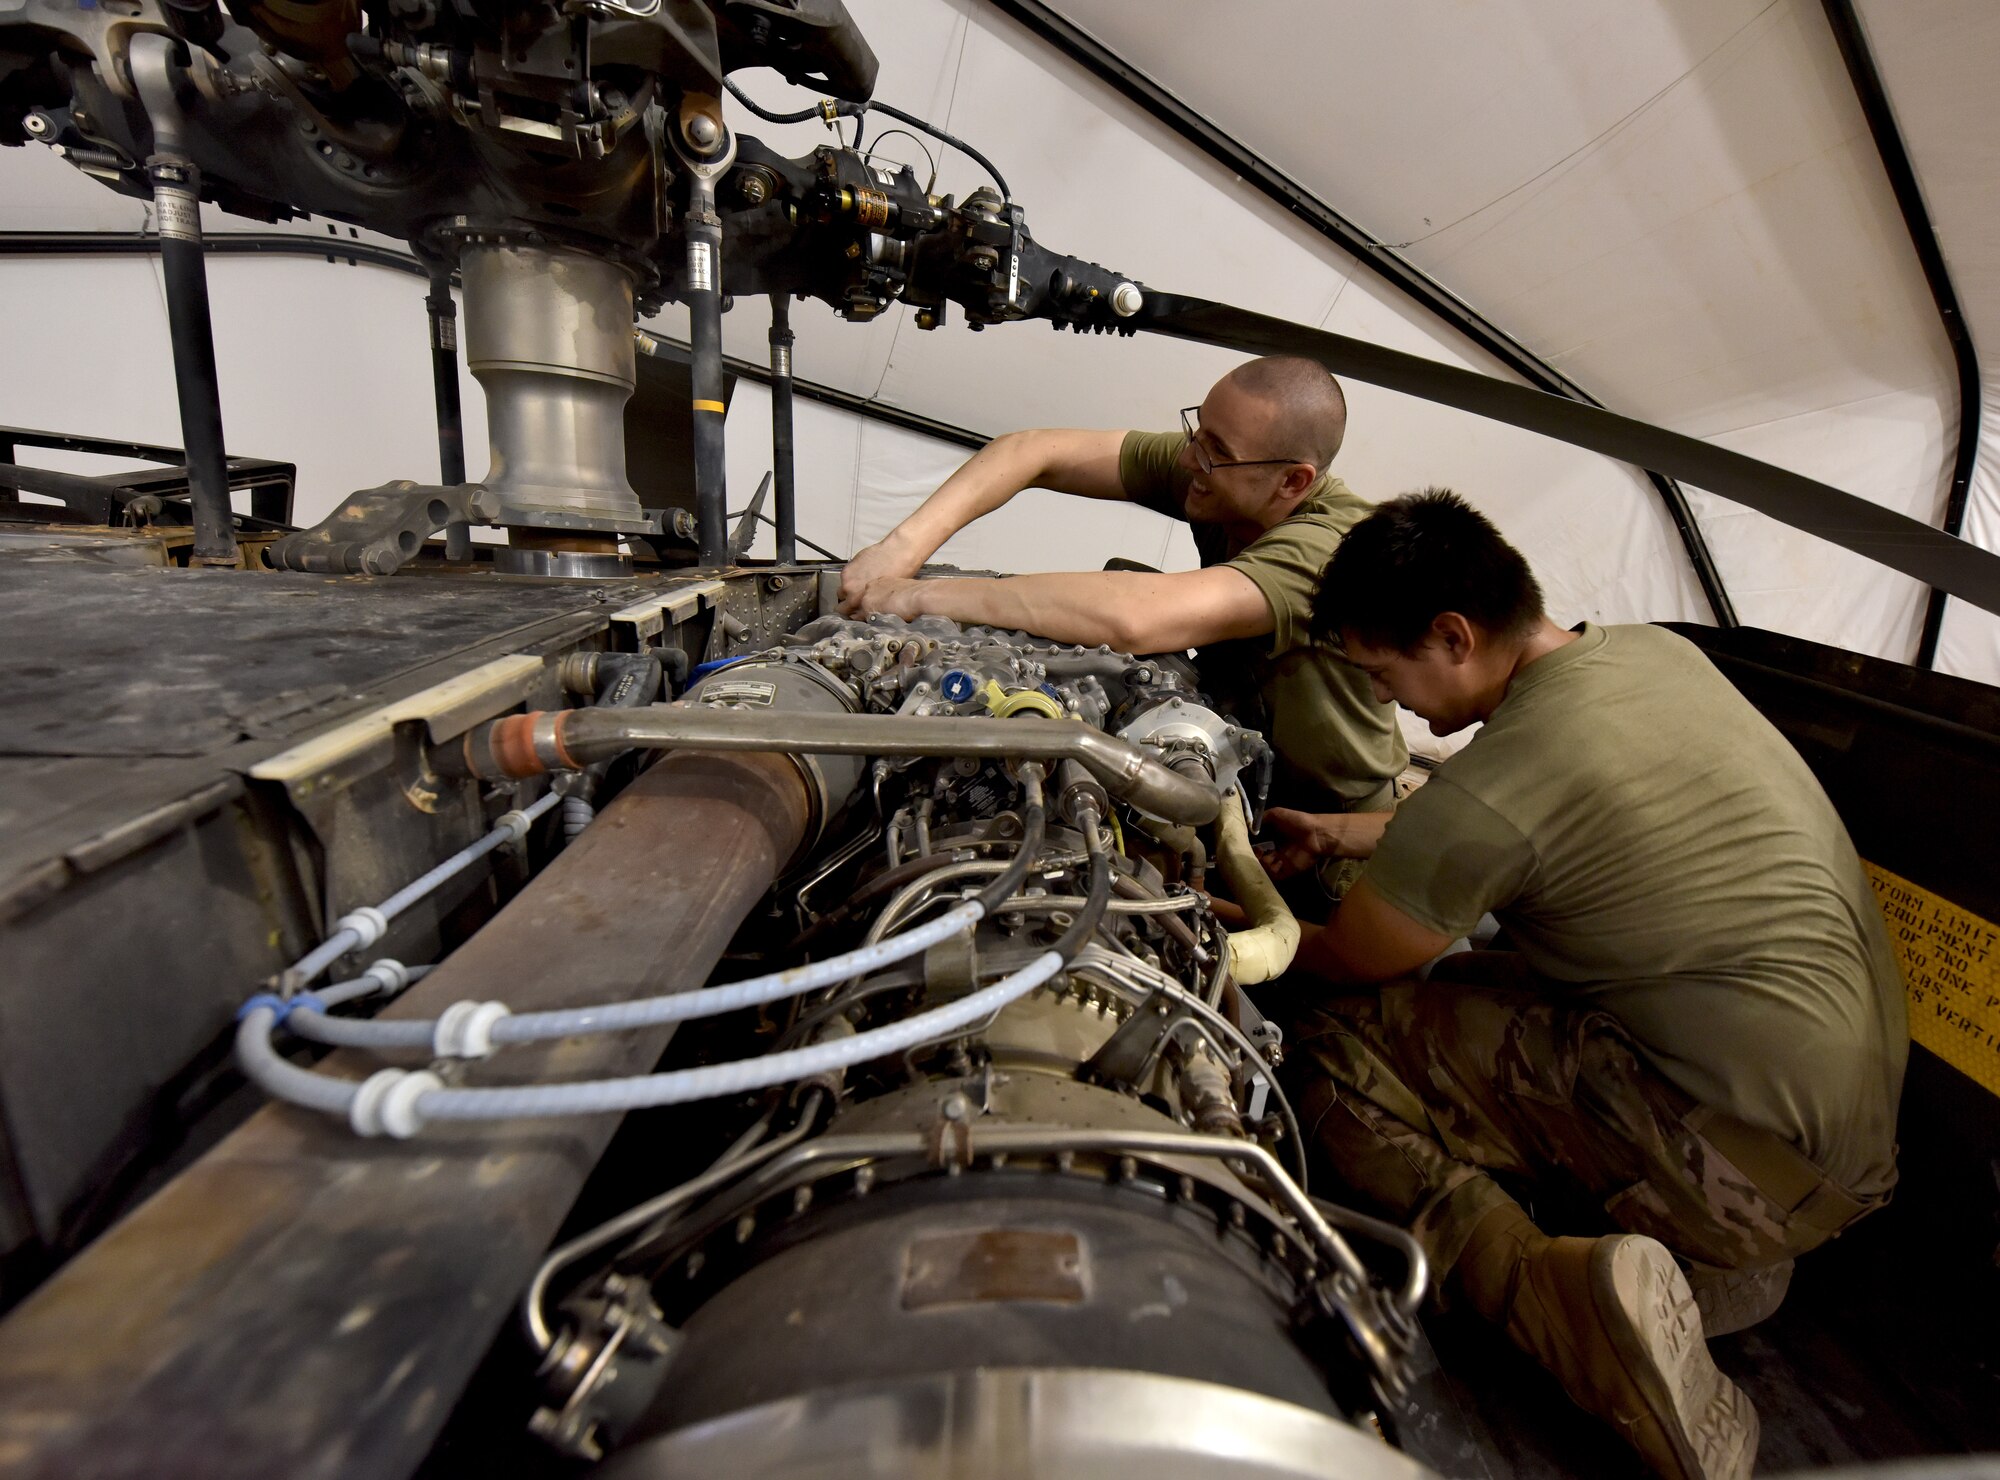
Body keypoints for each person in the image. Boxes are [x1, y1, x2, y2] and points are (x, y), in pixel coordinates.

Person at [1265, 489, 1907, 1480]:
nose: (1389, 703)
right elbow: (1527, 826)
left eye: (1383, 675)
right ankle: (1705, 1254)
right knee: (1471, 975)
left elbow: (1348, 954)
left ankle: (1563, 1301)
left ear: (1452, 634)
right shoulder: (1648, 657)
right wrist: (1352, 834)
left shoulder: (1498, 781)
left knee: (1334, 1044)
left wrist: (1253, 931)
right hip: (1837, 1153)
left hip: (1742, 1169)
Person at [838, 356, 1408, 825]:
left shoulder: (1330, 548)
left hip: (1327, 822)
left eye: (1216, 452)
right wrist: (900, 550)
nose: (1190, 459)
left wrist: (920, 596)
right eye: (1197, 430)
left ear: (1293, 481)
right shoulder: (1223, 472)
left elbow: (1136, 619)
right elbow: (1033, 450)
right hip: (1232, 766)